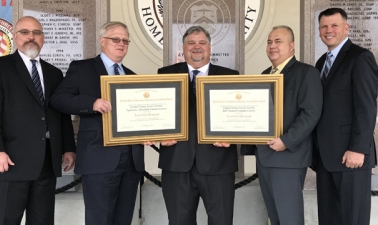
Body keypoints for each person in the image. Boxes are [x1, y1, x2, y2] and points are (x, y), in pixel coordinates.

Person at [0, 16, 76, 225]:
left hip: (46, 163)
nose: (31, 37)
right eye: (25, 32)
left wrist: (68, 148)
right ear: (15, 37)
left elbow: (61, 113)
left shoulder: (54, 73)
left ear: (43, 38)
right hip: (9, 162)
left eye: (36, 33)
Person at [49, 21, 144, 225]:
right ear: (102, 41)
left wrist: (146, 132)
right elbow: (58, 99)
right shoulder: (82, 68)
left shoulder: (132, 76)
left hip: (131, 161)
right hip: (99, 159)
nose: (121, 44)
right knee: (99, 220)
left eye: (125, 41)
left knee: (124, 220)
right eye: (115, 39)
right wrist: (91, 103)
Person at [156, 26, 239, 225]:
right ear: (183, 48)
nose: (197, 47)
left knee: (221, 221)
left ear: (210, 48)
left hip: (218, 164)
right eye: (191, 43)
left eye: (202, 43)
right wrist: (157, 133)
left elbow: (238, 117)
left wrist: (234, 136)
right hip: (176, 164)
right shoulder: (164, 74)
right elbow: (157, 111)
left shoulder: (230, 76)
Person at [241, 25, 323, 225]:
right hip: (265, 157)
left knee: (289, 219)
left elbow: (311, 113)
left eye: (278, 41)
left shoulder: (306, 73)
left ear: (291, 46)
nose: (272, 46)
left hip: (288, 157)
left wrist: (286, 141)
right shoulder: (264, 74)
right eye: (269, 42)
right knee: (276, 218)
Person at [314, 8, 378, 225]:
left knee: (353, 219)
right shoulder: (321, 62)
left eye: (334, 26)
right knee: (329, 219)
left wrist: (359, 148)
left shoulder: (360, 57)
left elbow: (366, 107)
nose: (328, 30)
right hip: (325, 158)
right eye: (324, 26)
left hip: (351, 156)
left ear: (346, 28)